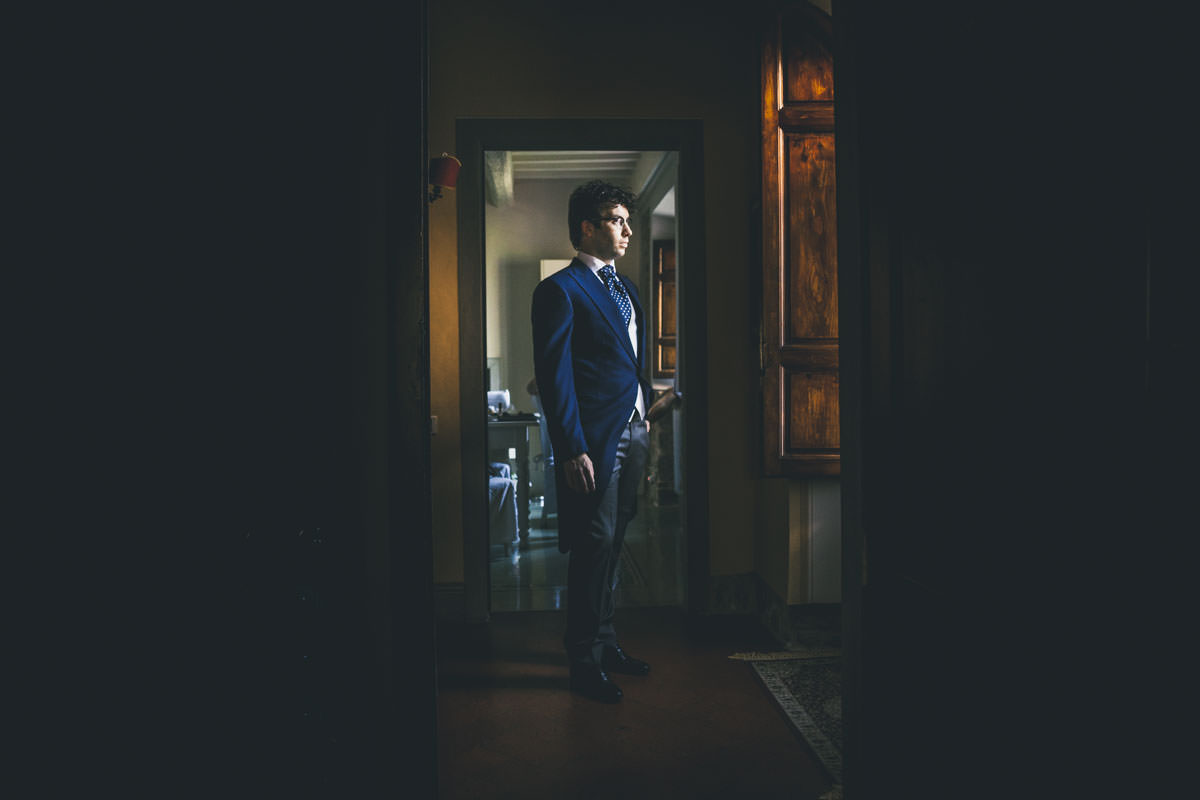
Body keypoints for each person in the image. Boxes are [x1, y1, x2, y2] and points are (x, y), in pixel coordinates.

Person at [531, 180, 652, 703]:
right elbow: (555, 377)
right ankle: (583, 659)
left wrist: (644, 414)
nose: (627, 230)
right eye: (616, 220)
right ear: (587, 227)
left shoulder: (628, 289)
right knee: (593, 542)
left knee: (615, 541)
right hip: (594, 441)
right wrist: (570, 448)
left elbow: (630, 362)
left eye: (627, 220)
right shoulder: (559, 290)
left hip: (634, 428)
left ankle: (606, 642)